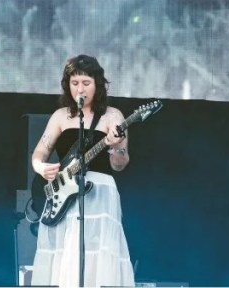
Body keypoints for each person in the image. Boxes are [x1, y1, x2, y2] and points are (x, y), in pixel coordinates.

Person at [31, 54, 135, 288]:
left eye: (86, 83)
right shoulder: (60, 116)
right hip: (64, 192)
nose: (80, 89)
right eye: (74, 83)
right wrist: (41, 168)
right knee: (66, 255)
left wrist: (116, 146)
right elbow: (39, 154)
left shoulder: (113, 116)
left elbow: (120, 164)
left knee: (98, 255)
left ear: (97, 85)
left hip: (99, 193)